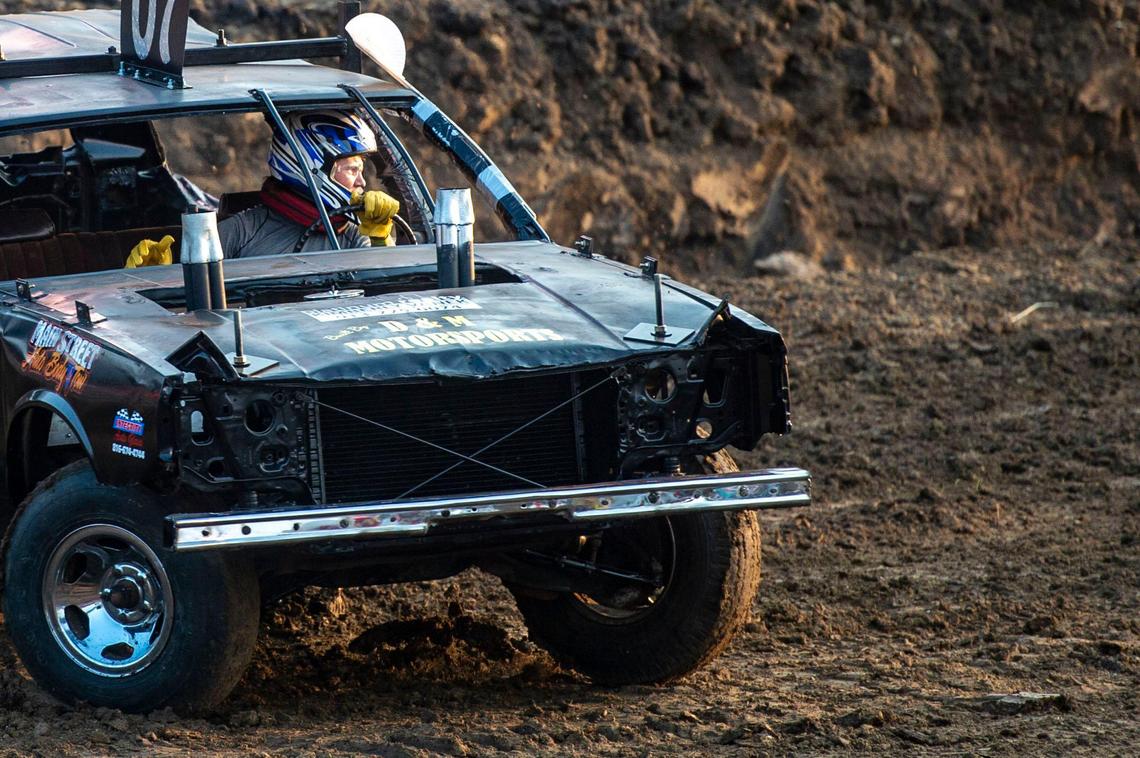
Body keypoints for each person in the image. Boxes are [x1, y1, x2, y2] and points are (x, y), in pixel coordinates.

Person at [125, 110, 400, 267]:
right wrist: (158, 278)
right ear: (311, 164)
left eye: (361, 172)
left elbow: (384, 299)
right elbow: (191, 301)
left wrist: (379, 239)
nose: (362, 183)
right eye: (352, 170)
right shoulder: (243, 229)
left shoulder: (354, 235)